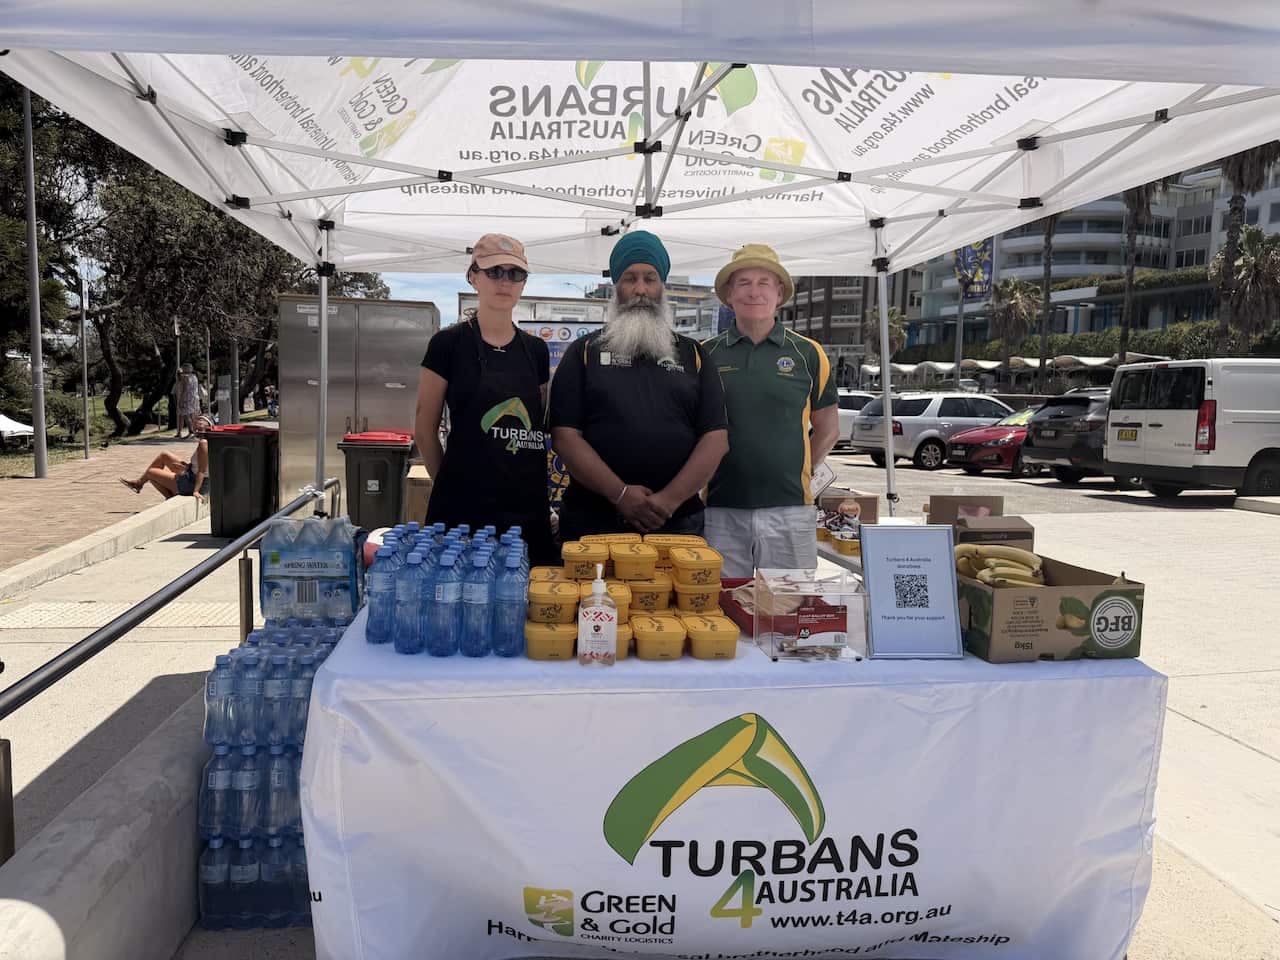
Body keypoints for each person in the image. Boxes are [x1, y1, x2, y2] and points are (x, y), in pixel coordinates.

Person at [549, 231, 729, 541]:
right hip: (593, 522)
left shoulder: (695, 355)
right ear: (616, 288)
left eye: (650, 278)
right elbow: (565, 436)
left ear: (663, 287)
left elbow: (715, 439)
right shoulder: (584, 353)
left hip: (676, 523)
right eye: (630, 279)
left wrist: (668, 500)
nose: (641, 289)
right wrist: (620, 494)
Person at [413, 233, 556, 564]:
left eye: (515, 273)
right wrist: (451, 488)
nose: (504, 281)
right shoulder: (447, 345)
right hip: (464, 516)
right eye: (494, 271)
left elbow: (536, 425)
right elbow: (424, 429)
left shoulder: (536, 351)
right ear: (473, 277)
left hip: (525, 514)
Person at [702, 244, 839, 577]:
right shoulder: (705, 355)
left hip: (790, 509)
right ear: (729, 294)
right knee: (724, 611)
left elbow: (829, 427)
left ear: (779, 293)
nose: (754, 291)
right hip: (721, 508)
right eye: (744, 282)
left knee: (788, 612)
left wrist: (800, 469)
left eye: (764, 282)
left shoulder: (808, 353)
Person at [120, 414, 212, 500]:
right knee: (164, 455)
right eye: (195, 424)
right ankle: (139, 483)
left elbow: (202, 471)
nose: (196, 427)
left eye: (199, 424)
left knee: (151, 472)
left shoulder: (204, 443)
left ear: (207, 427)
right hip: (191, 474)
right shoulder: (209, 440)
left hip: (192, 483)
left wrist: (195, 491)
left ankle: (169, 496)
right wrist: (188, 466)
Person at [175, 363, 201, 438]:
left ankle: (191, 431)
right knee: (189, 415)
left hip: (186, 398)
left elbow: (185, 389)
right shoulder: (194, 377)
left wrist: (181, 398)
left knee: (186, 415)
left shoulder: (185, 377)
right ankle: (183, 431)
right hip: (194, 398)